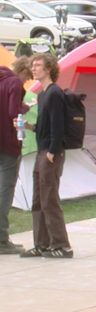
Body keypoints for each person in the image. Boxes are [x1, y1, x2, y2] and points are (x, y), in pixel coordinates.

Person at [18, 54, 73, 258]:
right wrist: (28, 126)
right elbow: (44, 125)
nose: (34, 69)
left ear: (48, 68)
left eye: (38, 65)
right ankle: (42, 243)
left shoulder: (55, 94)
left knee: (49, 199)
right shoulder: (42, 95)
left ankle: (61, 245)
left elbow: (58, 126)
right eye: (32, 65)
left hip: (50, 153)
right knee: (38, 200)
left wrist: (52, 151)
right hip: (41, 151)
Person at [0, 57, 32, 254]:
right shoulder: (13, 82)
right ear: (23, 71)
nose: (26, 81)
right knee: (5, 189)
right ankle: (1, 239)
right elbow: (14, 111)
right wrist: (26, 106)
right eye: (27, 78)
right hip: (7, 141)